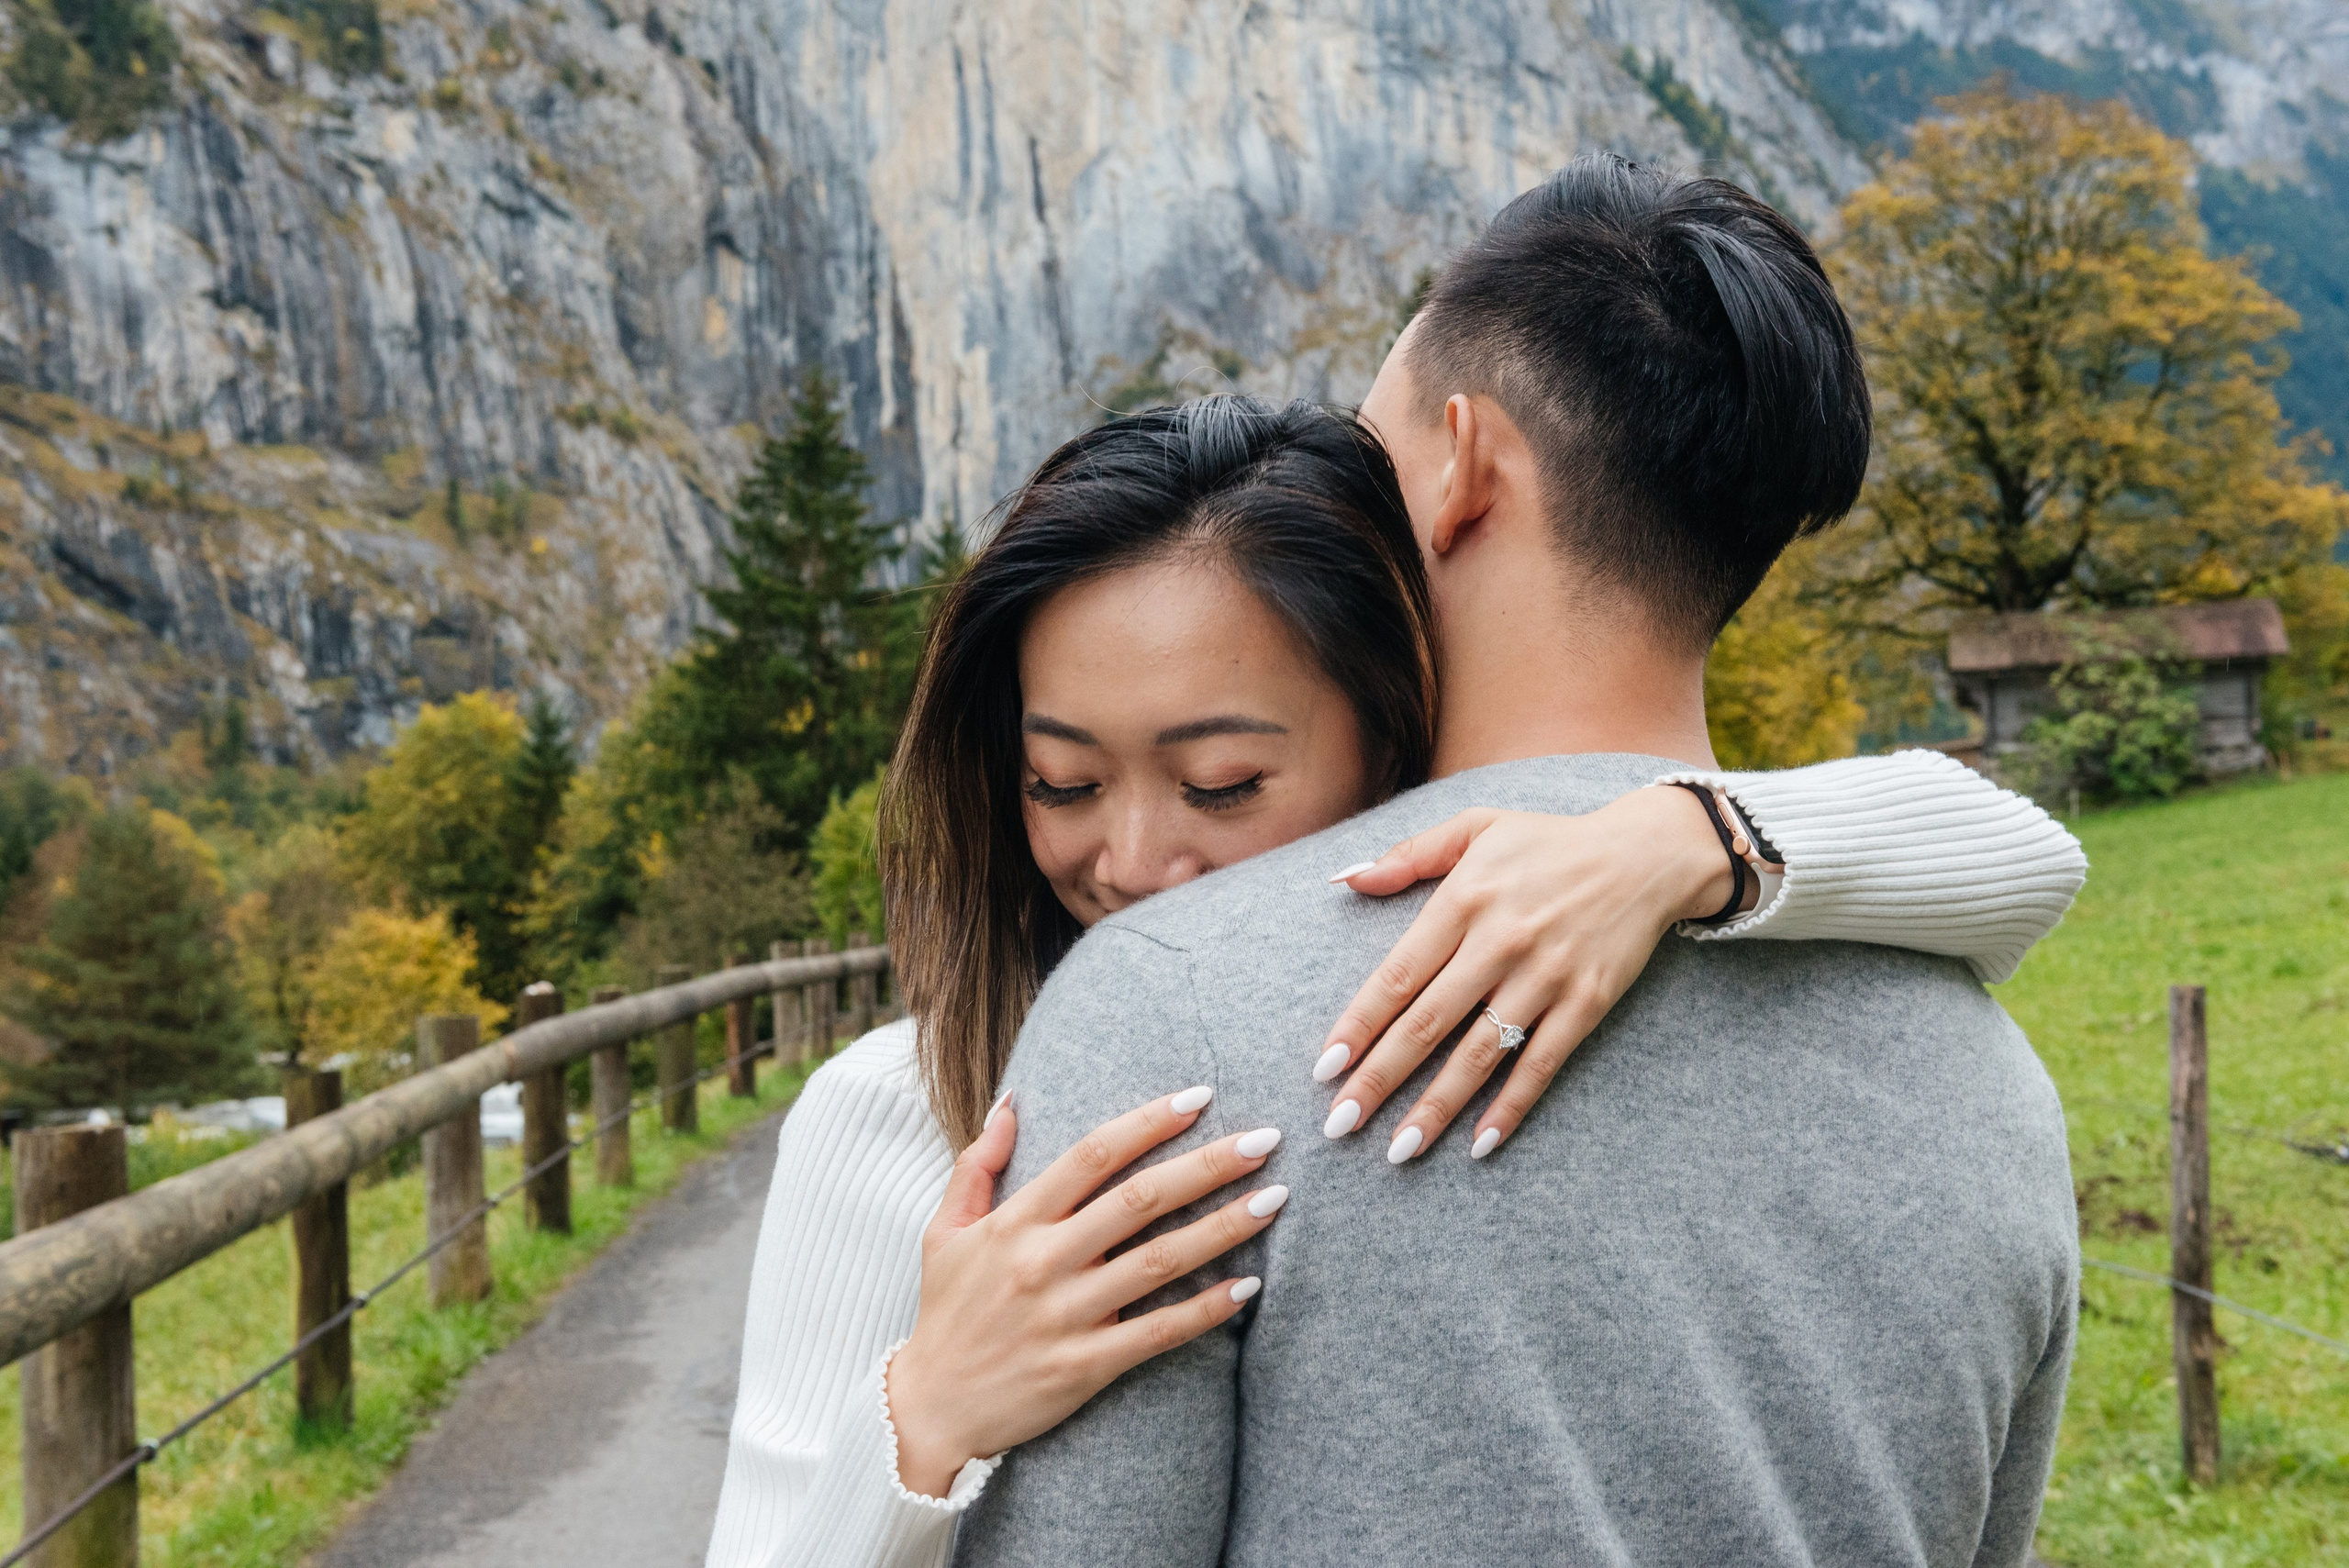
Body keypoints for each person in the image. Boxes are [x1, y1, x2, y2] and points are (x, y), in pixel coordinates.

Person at [705, 198, 2083, 1568]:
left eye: (1223, 781)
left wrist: (1690, 842)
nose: (1130, 863)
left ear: (1461, 464)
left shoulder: (1168, 1021)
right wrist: (919, 1412)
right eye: (1062, 780)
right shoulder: (1999, 1091)